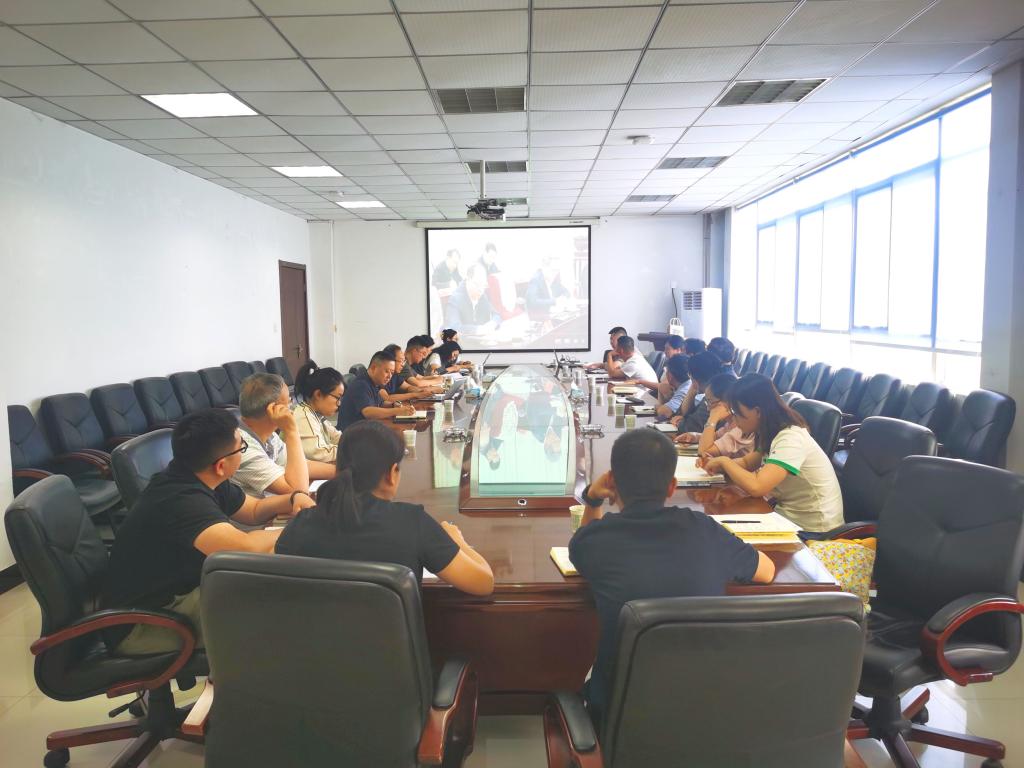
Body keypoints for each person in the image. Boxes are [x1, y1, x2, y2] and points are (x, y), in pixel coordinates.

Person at [569, 429, 775, 727]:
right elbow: (767, 571)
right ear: (672, 487)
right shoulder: (704, 530)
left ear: (611, 481)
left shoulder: (594, 540)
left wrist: (592, 500)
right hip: (705, 713)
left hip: (621, 718)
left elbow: (583, 548)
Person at [101, 409, 316, 654]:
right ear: (221, 465)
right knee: (280, 610)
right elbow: (246, 548)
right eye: (242, 447)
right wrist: (310, 525)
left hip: (182, 592)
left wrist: (293, 498)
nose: (243, 450)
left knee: (276, 586)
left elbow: (254, 510)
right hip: (144, 623)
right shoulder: (180, 499)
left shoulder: (202, 475)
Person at [276, 421, 495, 595]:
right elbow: (484, 582)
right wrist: (457, 541)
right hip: (390, 641)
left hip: (315, 640)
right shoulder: (412, 523)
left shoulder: (301, 524)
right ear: (391, 473)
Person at [701, 374, 844, 532]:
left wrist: (725, 462)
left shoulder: (790, 438)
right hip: (786, 517)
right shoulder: (772, 433)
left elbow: (757, 486)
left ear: (757, 411)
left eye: (737, 413)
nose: (734, 419)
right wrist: (719, 466)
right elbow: (747, 463)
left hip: (814, 530)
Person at [233, 373, 335, 498]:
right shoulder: (242, 448)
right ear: (274, 409)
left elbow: (303, 465)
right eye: (289, 400)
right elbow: (298, 491)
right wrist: (291, 431)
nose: (291, 406)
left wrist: (343, 471)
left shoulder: (269, 436)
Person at [675, 373, 753, 460]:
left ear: (728, 401)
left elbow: (704, 453)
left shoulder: (740, 428)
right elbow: (716, 437)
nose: (708, 408)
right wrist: (695, 436)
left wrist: (713, 419)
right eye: (706, 402)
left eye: (710, 402)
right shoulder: (729, 424)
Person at [339, 350, 415, 429]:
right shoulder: (361, 384)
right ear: (373, 368)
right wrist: (397, 411)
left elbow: (380, 403)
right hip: (352, 432)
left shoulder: (375, 382)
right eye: (386, 371)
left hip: (365, 428)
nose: (389, 376)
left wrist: (393, 405)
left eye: (392, 373)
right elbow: (368, 412)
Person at [293, 360, 344, 463]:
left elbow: (336, 437)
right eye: (337, 398)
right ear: (318, 395)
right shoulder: (304, 416)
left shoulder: (318, 415)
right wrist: (352, 449)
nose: (339, 403)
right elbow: (320, 453)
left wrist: (355, 442)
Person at [671, 351, 723, 433]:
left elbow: (690, 428)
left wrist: (680, 422)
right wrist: (694, 387)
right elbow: (684, 415)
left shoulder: (714, 396)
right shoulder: (716, 389)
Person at [444, 263, 498, 330]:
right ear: (468, 280)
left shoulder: (483, 295)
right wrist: (478, 330)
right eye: (477, 284)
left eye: (483, 285)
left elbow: (496, 315)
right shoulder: (455, 299)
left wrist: (492, 324)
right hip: (464, 336)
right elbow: (454, 327)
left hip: (483, 335)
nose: (481, 289)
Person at [655, 354, 691, 420]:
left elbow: (663, 413)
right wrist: (660, 388)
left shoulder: (684, 390)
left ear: (670, 375)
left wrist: (658, 406)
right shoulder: (687, 384)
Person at [656, 334, 686, 403]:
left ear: (678, 350)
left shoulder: (681, 367)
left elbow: (665, 387)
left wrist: (641, 381)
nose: (665, 352)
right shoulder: (668, 363)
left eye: (667, 349)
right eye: (664, 348)